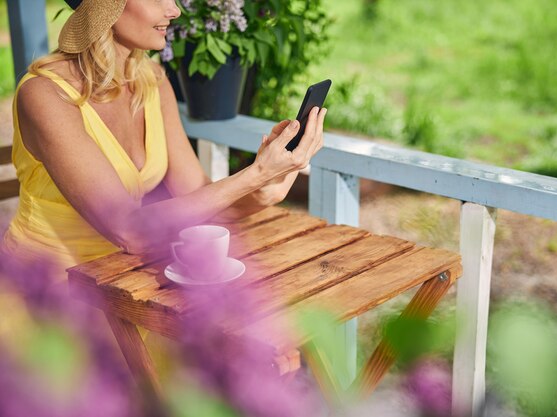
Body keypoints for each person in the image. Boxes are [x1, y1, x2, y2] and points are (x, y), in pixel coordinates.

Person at [1, 0, 326, 280]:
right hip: (46, 294)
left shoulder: (152, 81)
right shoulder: (44, 95)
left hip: (124, 282)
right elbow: (129, 230)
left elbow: (201, 200)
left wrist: (264, 190)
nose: (175, 10)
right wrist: (254, 175)